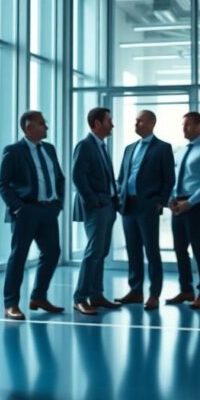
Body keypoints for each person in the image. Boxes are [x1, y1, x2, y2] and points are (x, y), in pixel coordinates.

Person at [0, 110, 67, 320]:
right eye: (42, 124)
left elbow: (59, 178)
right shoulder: (13, 151)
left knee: (53, 252)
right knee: (19, 257)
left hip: (49, 211)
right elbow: (2, 184)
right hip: (26, 211)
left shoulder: (50, 149)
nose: (46, 127)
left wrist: (58, 203)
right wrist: (18, 208)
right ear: (29, 128)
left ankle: (38, 297)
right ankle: (11, 304)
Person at [114, 110, 175, 311]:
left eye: (139, 120)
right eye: (136, 120)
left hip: (147, 206)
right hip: (127, 206)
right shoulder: (129, 148)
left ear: (151, 123)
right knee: (133, 251)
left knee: (151, 251)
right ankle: (135, 291)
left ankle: (154, 294)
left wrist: (160, 201)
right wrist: (119, 196)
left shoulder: (163, 148)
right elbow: (122, 176)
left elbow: (169, 179)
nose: (136, 123)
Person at [71, 107, 123, 315]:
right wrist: (94, 202)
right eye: (109, 121)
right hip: (96, 207)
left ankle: (97, 295)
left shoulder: (101, 146)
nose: (112, 125)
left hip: (108, 205)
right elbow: (78, 177)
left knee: (101, 252)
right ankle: (80, 298)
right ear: (97, 123)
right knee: (93, 252)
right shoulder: (84, 146)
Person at [165, 111, 200, 309]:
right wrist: (170, 199)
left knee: (197, 247)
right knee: (179, 249)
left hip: (194, 205)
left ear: (199, 125)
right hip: (177, 204)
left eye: (187, 124)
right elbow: (175, 180)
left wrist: (191, 202)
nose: (183, 128)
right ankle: (186, 290)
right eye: (183, 124)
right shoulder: (180, 151)